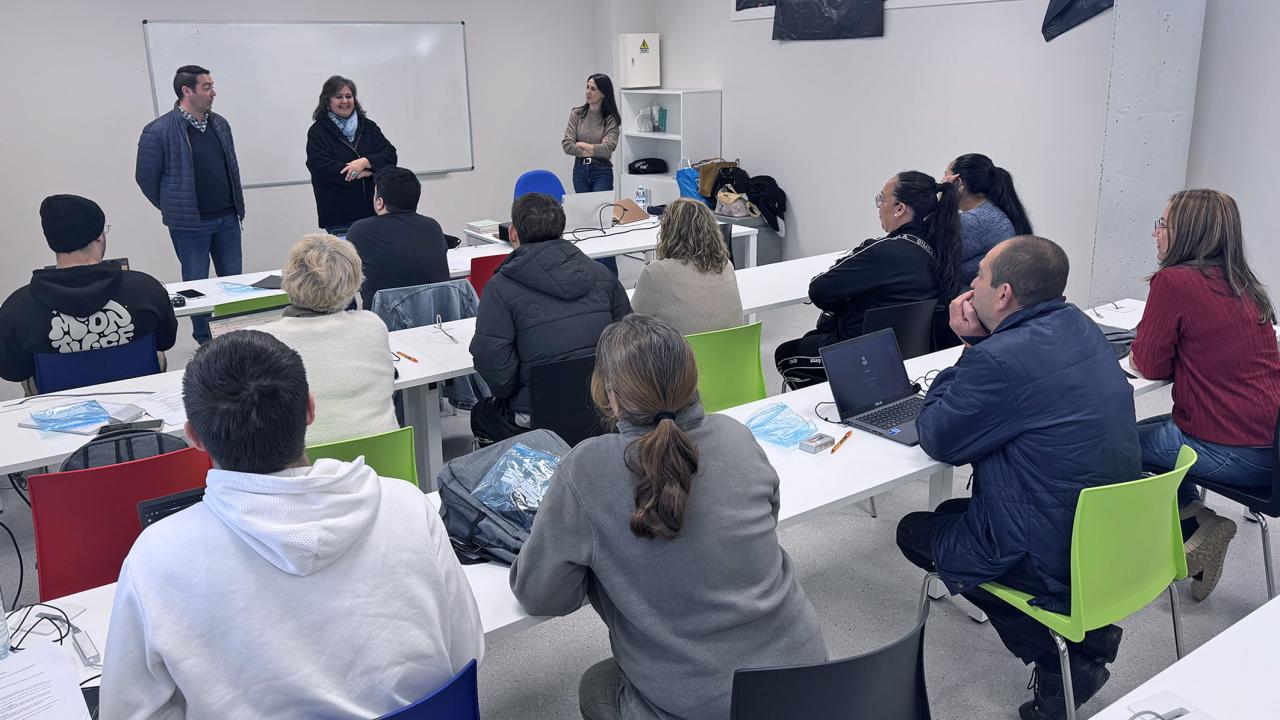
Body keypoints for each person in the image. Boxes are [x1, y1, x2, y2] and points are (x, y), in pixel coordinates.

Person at [100, 330, 484, 719]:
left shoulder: (155, 557)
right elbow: (467, 653)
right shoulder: (407, 504)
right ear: (311, 409)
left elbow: (128, 712)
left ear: (193, 437)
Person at [511, 314, 827, 720]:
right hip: (808, 673)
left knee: (596, 684)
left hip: (706, 705)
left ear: (613, 398)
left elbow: (541, 596)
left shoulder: (585, 469)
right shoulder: (737, 435)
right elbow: (768, 520)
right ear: (692, 380)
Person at [895, 236, 1139, 720]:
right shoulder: (1080, 325)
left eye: (980, 275)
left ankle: (1064, 658)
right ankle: (1082, 643)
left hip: (1052, 549)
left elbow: (937, 435)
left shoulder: (998, 358)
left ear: (1003, 294)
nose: (971, 283)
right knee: (951, 513)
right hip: (1111, 531)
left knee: (915, 531)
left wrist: (970, 346)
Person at [1132, 189, 1280, 601]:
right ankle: (1197, 520)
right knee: (1144, 432)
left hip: (1230, 450)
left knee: (1112, 445)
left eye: (1163, 224)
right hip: (1268, 451)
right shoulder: (1245, 284)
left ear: (1187, 232)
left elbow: (1150, 365)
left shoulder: (1173, 282)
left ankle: (1191, 527)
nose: (1155, 232)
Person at [774, 171, 962, 389]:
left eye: (882, 199)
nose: (879, 206)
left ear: (900, 208)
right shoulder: (939, 249)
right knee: (812, 339)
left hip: (862, 355)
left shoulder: (884, 251)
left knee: (785, 353)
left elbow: (819, 290)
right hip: (907, 353)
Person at [469, 193, 631, 443]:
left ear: (513, 233)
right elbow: (629, 342)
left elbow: (495, 368)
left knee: (481, 413)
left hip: (535, 416)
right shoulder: (603, 275)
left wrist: (515, 393)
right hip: (606, 406)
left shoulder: (499, 288)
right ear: (561, 230)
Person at [0, 195, 178, 391]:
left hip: (59, 405)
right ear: (99, 236)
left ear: (51, 241)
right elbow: (165, 341)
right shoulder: (148, 290)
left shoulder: (16, 310)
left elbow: (13, 371)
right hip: (138, 398)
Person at [136, 64, 244, 345]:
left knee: (233, 283)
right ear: (187, 91)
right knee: (197, 287)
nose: (213, 93)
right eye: (207, 87)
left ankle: (234, 337)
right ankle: (205, 341)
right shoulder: (158, 131)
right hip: (190, 225)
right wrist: (174, 207)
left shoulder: (220, 124)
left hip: (227, 219)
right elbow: (146, 179)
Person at [259, 234, 399, 445]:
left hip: (301, 463)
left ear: (288, 277)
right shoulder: (372, 325)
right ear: (354, 280)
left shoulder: (260, 341)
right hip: (383, 462)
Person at [346, 167, 458, 309]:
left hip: (383, 319)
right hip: (434, 316)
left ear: (380, 202)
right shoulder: (432, 226)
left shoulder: (360, 230)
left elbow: (346, 280)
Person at [630, 199, 742, 335]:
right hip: (732, 348)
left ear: (668, 231)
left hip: (683, 349)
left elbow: (632, 323)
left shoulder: (655, 273)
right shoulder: (726, 266)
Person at [305, 75, 399, 235]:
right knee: (346, 252)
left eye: (349, 96)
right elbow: (320, 167)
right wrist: (358, 172)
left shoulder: (368, 126)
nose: (345, 101)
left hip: (374, 211)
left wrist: (365, 163)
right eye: (338, 97)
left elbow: (390, 155)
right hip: (339, 215)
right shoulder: (318, 131)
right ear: (327, 101)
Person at [942, 153, 1034, 284]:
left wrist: (943, 200)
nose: (941, 182)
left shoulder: (973, 221)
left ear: (958, 182)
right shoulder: (991, 211)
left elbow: (930, 255)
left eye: (946, 177)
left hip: (974, 294)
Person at [563, 73, 621, 193]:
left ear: (603, 93)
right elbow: (567, 145)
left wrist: (580, 144)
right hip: (580, 170)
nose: (588, 92)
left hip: (602, 171)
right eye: (587, 87)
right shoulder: (577, 114)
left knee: (600, 205)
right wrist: (592, 151)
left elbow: (607, 149)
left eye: (593, 89)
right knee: (584, 205)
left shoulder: (610, 119)